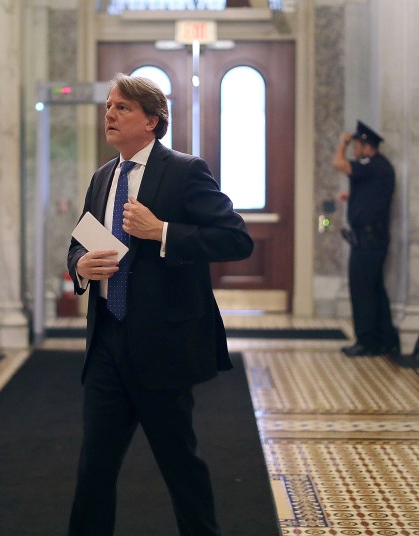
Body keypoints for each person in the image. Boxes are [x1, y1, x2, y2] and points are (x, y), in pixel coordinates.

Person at [66, 73, 253, 536]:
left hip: (163, 346)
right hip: (107, 340)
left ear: (153, 121)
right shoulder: (102, 176)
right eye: (108, 106)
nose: (109, 114)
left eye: (122, 108)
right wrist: (80, 266)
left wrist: (163, 232)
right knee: (94, 469)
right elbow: (78, 243)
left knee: (179, 466)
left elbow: (236, 239)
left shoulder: (186, 171)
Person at [333, 120, 400, 357]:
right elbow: (372, 194)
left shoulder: (373, 164)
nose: (353, 149)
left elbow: (338, 164)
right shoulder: (377, 167)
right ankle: (386, 338)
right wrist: (351, 196)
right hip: (371, 238)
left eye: (356, 145)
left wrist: (342, 143)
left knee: (362, 289)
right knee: (374, 289)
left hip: (369, 240)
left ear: (366, 145)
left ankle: (367, 340)